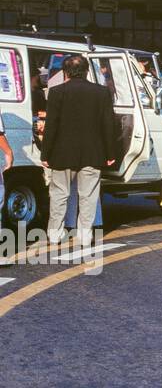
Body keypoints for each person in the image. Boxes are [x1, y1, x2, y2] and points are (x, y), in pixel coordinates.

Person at [40, 54, 117, 246]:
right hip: (93, 153)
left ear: (65, 72)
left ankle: (55, 234)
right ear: (87, 70)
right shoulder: (102, 92)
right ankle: (84, 236)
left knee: (59, 194)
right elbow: (108, 124)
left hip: (61, 153)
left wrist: (45, 153)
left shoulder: (56, 92)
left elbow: (51, 126)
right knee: (89, 196)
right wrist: (110, 153)